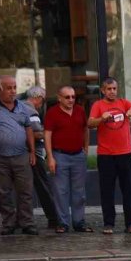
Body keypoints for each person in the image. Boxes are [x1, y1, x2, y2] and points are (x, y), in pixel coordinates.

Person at [0, 76, 38, 236]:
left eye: (14, 87)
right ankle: (9, 224)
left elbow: (29, 129)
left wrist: (32, 151)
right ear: (0, 90)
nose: (13, 91)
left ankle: (27, 223)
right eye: (9, 88)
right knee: (3, 192)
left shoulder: (23, 107)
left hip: (21, 156)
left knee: (25, 191)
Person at [87, 77, 131, 234]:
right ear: (103, 90)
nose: (112, 91)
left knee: (129, 190)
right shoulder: (98, 105)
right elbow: (90, 123)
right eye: (108, 89)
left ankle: (130, 223)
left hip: (125, 154)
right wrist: (101, 119)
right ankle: (108, 224)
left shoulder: (123, 103)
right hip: (106, 155)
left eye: (114, 88)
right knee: (107, 191)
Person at [45, 85, 92, 233]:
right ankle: (63, 223)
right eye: (67, 97)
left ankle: (79, 222)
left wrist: (86, 148)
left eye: (73, 97)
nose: (71, 100)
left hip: (78, 155)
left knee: (79, 191)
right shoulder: (52, 113)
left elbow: (85, 129)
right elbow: (47, 135)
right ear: (59, 98)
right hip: (60, 155)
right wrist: (50, 157)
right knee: (61, 191)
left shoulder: (79, 110)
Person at [22, 86, 61, 230]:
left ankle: (22, 219)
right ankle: (54, 218)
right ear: (37, 97)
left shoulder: (19, 107)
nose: (42, 104)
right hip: (35, 155)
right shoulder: (31, 111)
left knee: (23, 190)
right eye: (42, 100)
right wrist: (49, 133)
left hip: (21, 154)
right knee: (44, 187)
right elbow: (35, 133)